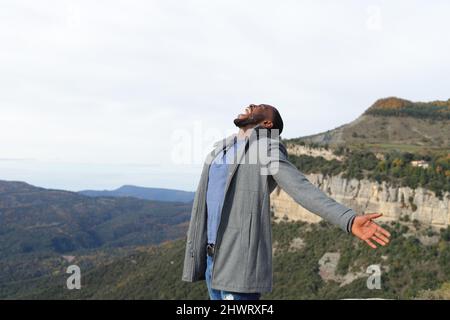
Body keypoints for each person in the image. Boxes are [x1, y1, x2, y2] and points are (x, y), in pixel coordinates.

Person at [182, 104, 391, 300]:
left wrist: (348, 219)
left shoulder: (266, 148)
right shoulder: (221, 149)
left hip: (237, 262)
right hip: (211, 258)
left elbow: (300, 188)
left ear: (267, 124)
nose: (252, 104)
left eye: (260, 107)